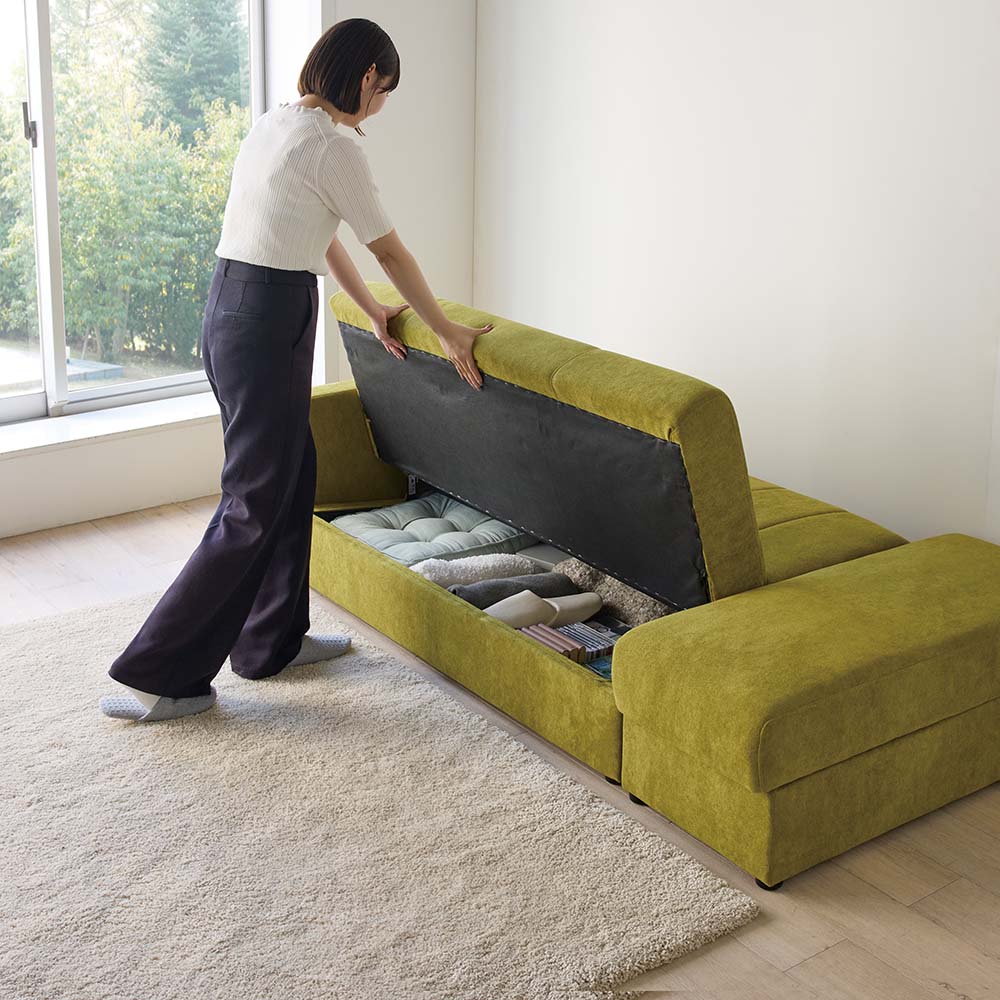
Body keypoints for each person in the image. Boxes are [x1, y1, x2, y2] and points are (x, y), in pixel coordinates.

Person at [100, 17, 493, 722]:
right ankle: (159, 674)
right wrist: (446, 331)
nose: (381, 106)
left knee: (294, 470)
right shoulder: (334, 147)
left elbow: (322, 233)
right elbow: (388, 249)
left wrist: (372, 310)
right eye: (385, 90)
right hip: (267, 316)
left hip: (233, 306)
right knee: (253, 499)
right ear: (367, 77)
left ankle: (271, 643)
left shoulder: (276, 124)